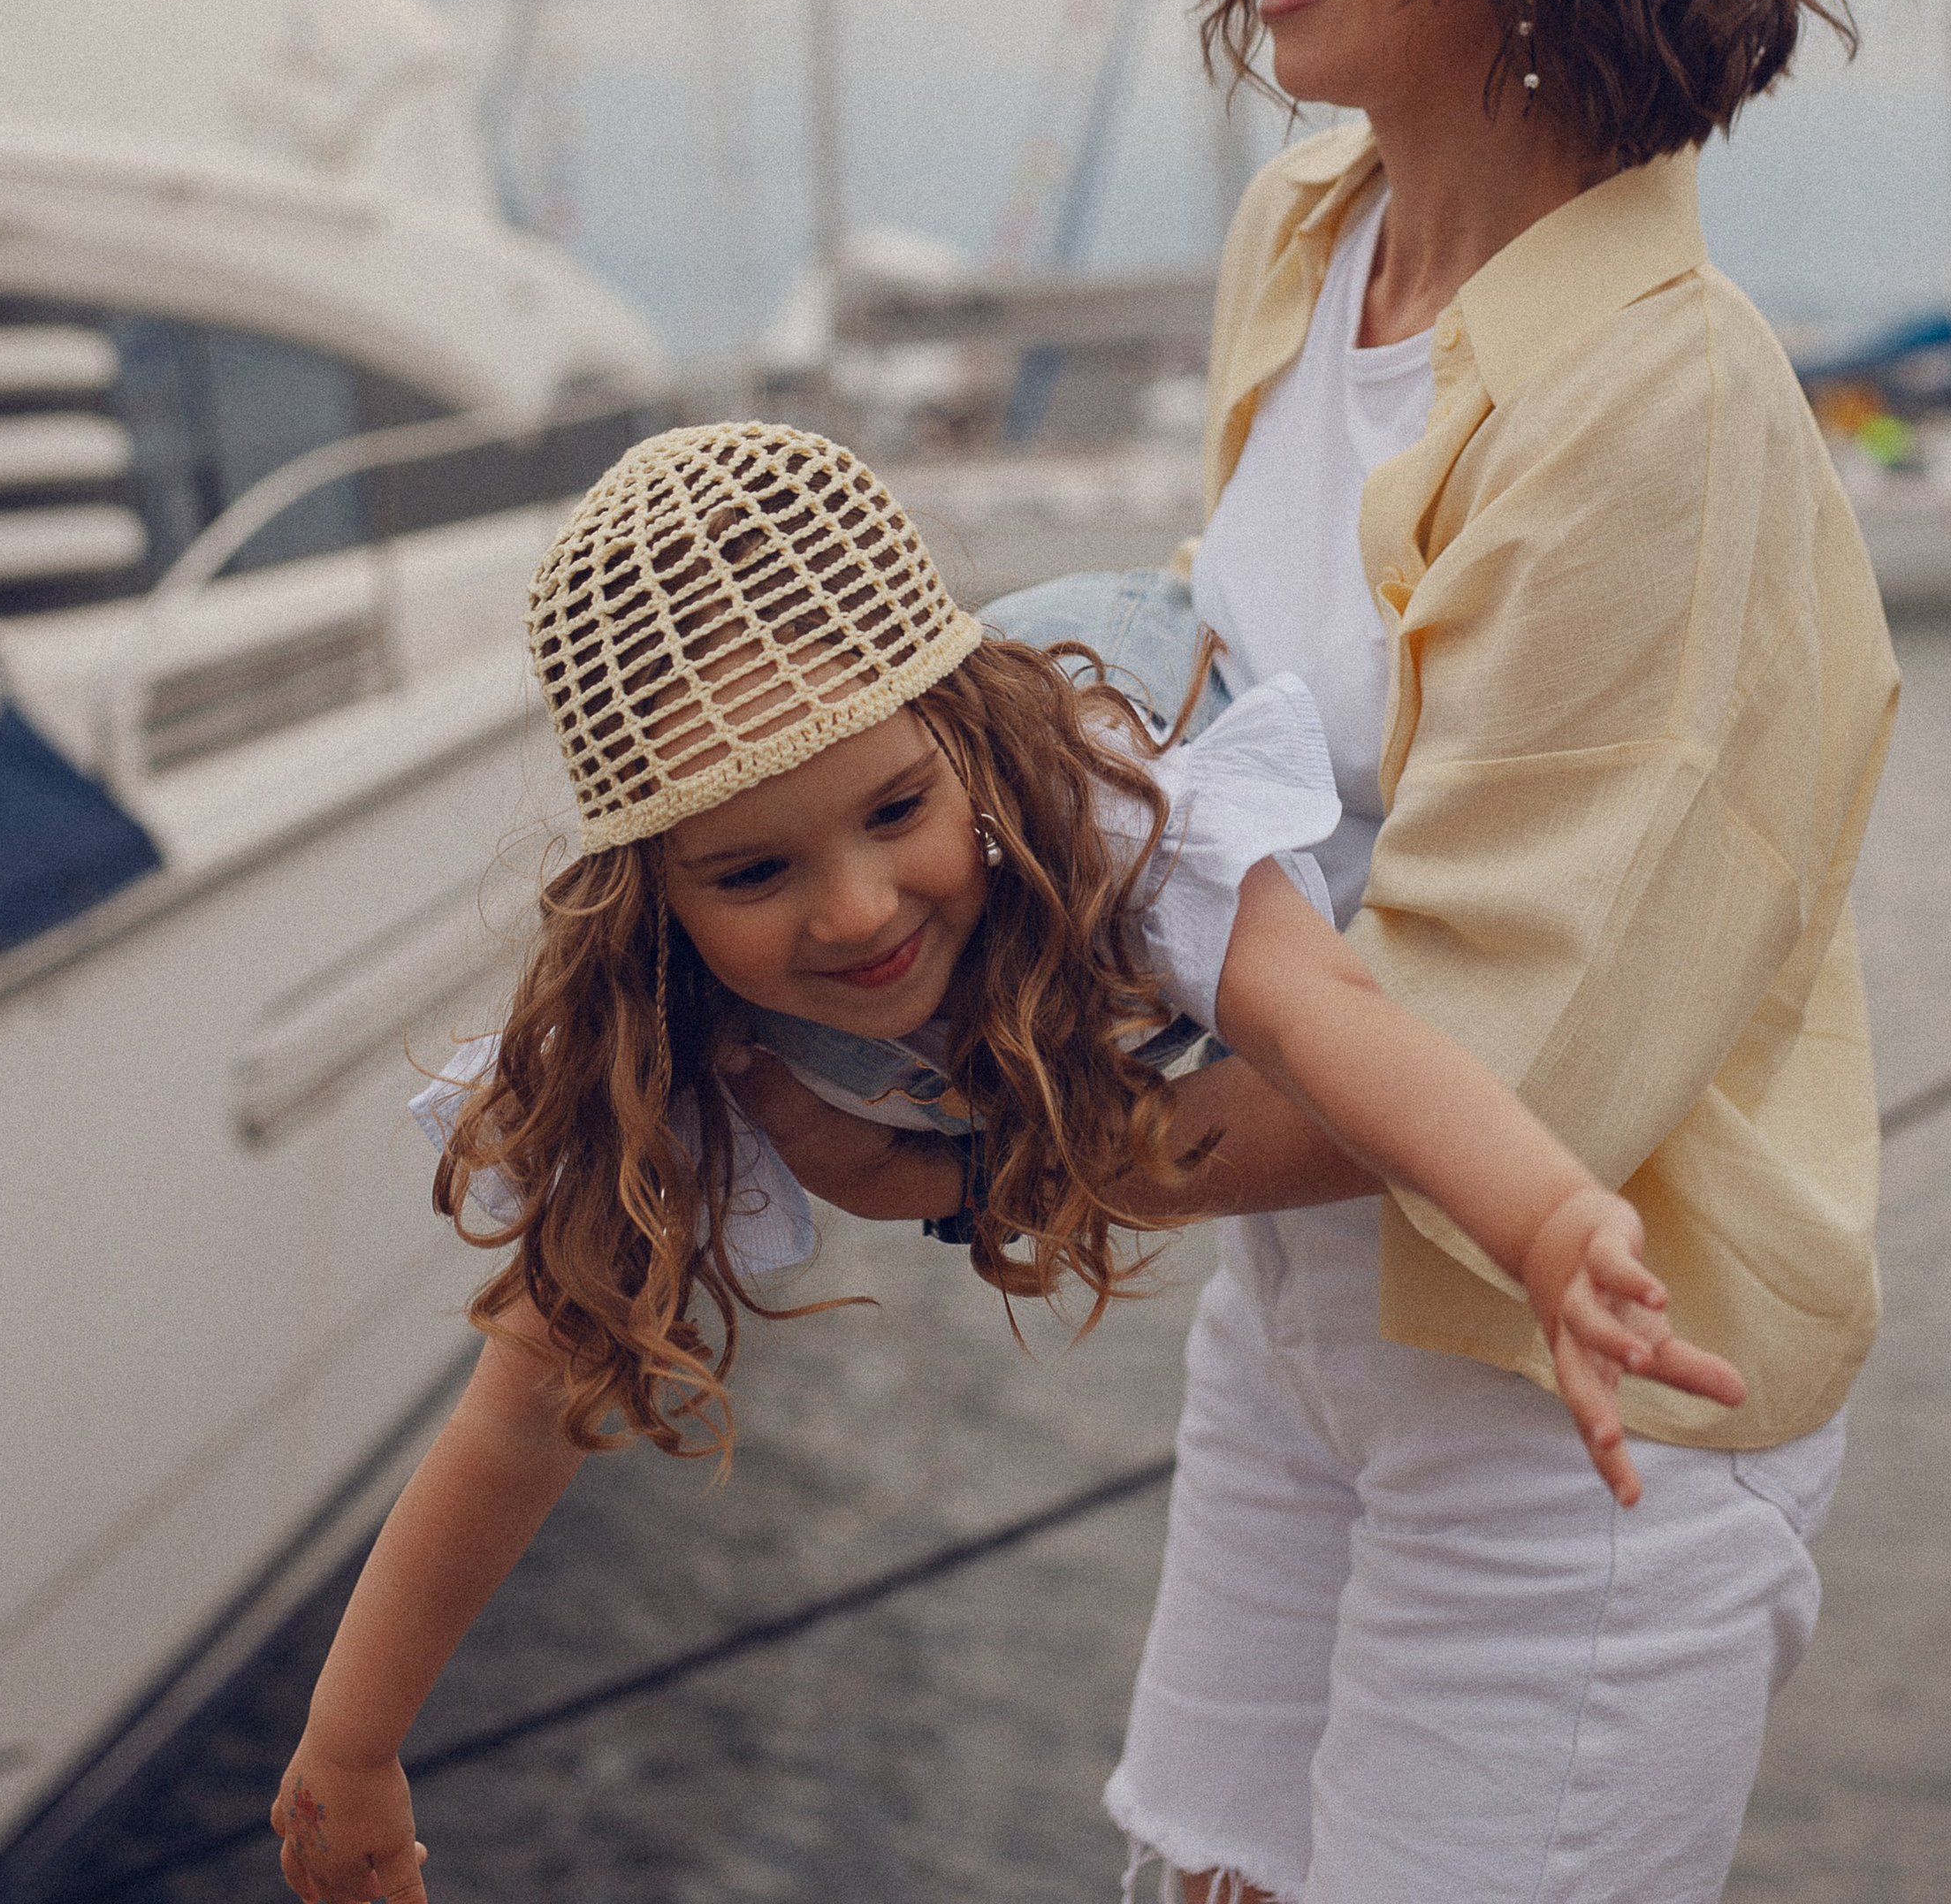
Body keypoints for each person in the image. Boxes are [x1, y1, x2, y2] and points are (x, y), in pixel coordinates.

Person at [823, 0, 1897, 1903]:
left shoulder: (1667, 407)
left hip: (1581, 1403)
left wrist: (967, 1166)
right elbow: (1209, 766)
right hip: (1309, 1325)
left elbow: (1503, 1060)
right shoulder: (1305, 241)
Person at [268, 418, 1742, 1904]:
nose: (853, 911)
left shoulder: (1102, 802)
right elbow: (527, 1402)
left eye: (895, 813)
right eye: (752, 872)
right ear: (655, 897)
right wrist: (353, 1745)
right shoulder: (678, 1020)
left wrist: (1546, 1220)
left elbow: (1326, 1019)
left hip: (1304, 824)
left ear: (960, 746)